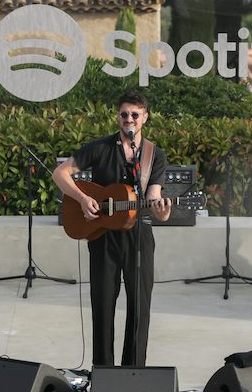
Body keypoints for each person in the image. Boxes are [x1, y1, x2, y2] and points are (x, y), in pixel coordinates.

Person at [54, 90, 170, 367]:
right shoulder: (100, 148)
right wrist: (82, 198)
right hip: (103, 235)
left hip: (138, 236)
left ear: (145, 117)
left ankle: (133, 374)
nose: (129, 119)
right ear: (117, 116)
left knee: (139, 308)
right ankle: (103, 374)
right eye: (124, 114)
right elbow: (60, 173)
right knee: (103, 307)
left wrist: (162, 212)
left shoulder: (155, 155)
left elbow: (153, 195)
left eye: (135, 114)